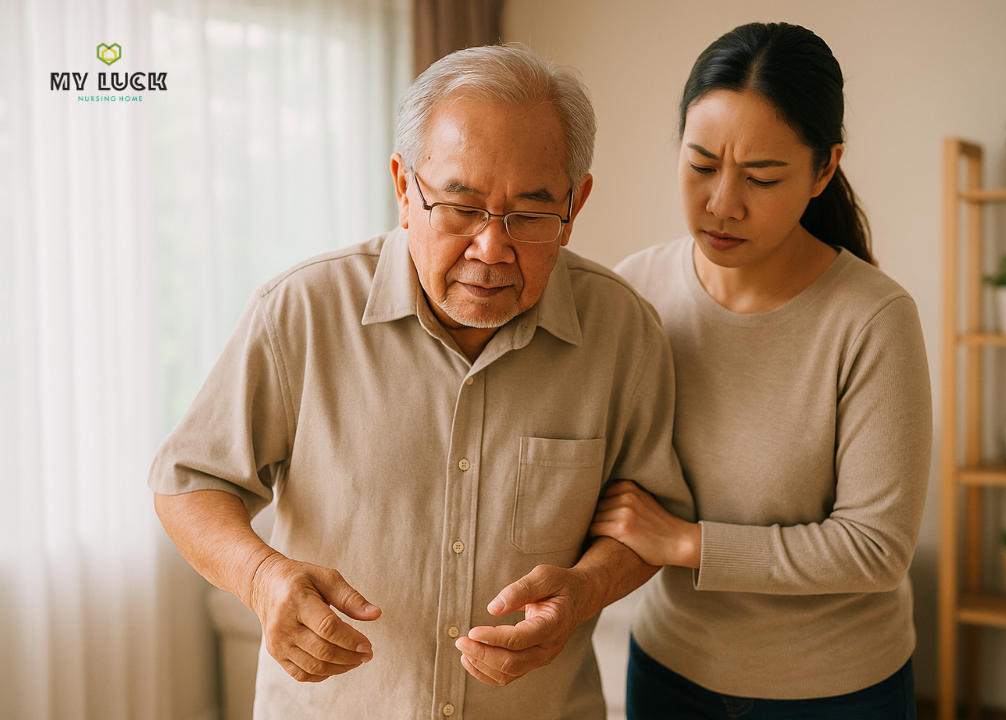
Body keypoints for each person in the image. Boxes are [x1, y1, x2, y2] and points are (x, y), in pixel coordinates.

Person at [149, 44, 692, 720]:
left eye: (529, 214)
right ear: (405, 187)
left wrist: (584, 590)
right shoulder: (302, 313)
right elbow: (188, 481)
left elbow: (644, 522)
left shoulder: (623, 332)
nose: (491, 249)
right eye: (459, 206)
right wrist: (263, 579)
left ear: (575, 204)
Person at [591, 22, 932, 720]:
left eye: (762, 176)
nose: (722, 203)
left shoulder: (872, 318)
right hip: (668, 674)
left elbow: (875, 550)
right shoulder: (635, 290)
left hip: (836, 692)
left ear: (824, 169)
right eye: (701, 163)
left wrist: (686, 543)